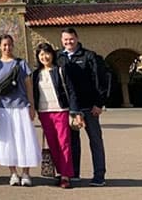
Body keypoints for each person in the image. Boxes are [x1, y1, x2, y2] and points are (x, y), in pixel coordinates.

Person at [56, 27, 109, 187]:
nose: (68, 42)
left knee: (95, 140)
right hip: (70, 108)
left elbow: (101, 80)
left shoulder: (89, 56)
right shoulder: (59, 57)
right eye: (65, 39)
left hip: (89, 106)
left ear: (77, 38)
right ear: (61, 40)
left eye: (71, 39)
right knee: (72, 142)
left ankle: (99, 175)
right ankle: (74, 173)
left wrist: (99, 103)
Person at [0, 34, 40, 187]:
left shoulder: (22, 63)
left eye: (10, 44)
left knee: (25, 139)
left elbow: (29, 86)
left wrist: (32, 106)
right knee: (8, 141)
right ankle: (13, 173)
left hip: (21, 106)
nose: (7, 47)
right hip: (3, 108)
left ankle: (26, 173)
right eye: (4, 45)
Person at [32, 42, 84, 189]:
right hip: (44, 113)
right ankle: (60, 172)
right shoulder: (36, 74)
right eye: (41, 54)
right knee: (53, 144)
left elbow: (71, 91)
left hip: (61, 111)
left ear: (52, 55)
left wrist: (74, 112)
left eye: (47, 53)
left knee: (64, 143)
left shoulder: (60, 70)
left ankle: (66, 175)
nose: (44, 57)